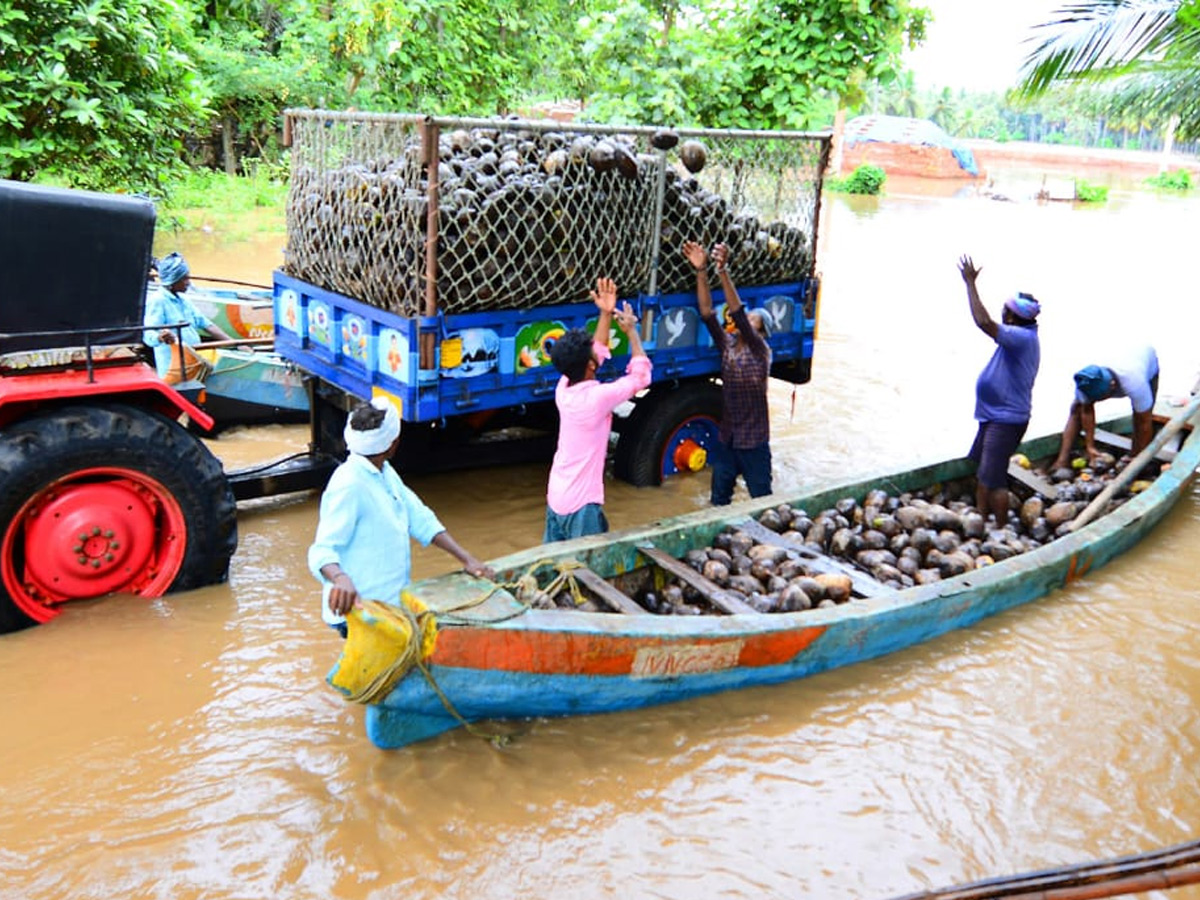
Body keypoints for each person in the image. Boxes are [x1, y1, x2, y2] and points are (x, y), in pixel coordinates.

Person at [308, 397, 494, 638]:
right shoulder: (348, 484)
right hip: (361, 611)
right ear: (393, 443)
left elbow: (420, 518)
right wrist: (340, 578)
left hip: (390, 605)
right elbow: (321, 551)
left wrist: (467, 559)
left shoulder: (384, 472)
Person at [544, 277, 652, 542]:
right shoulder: (597, 398)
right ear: (589, 366)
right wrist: (631, 333)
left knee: (556, 568)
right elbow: (642, 377)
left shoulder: (564, 386)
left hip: (556, 497)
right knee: (586, 571)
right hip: (582, 506)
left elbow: (598, 353)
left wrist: (605, 313)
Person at [683, 240, 773, 505]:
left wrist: (722, 270)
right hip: (728, 439)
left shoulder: (760, 351)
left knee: (762, 501)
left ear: (762, 332)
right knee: (718, 500)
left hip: (753, 443)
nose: (745, 324)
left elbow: (737, 312)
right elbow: (707, 312)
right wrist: (702, 271)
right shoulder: (728, 345)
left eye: (753, 323)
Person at [958, 255, 1041, 525]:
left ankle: (1001, 527)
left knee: (994, 478)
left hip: (1006, 419)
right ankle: (982, 519)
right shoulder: (1020, 336)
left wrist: (970, 284)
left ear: (1011, 316)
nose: (1001, 315)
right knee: (983, 469)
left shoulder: (1020, 338)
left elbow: (983, 322)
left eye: (1005, 311)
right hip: (993, 415)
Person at [1050, 344, 1160, 470]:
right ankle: (1061, 460)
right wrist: (1090, 446)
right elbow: (1086, 410)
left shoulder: (1135, 383)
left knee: (1140, 416)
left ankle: (1136, 456)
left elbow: (1144, 423)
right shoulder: (1086, 380)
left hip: (1146, 361)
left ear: (1112, 386)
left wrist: (1136, 460)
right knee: (1076, 408)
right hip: (1120, 358)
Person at [143, 251, 235, 384]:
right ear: (172, 282)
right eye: (184, 279)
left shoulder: (184, 299)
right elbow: (148, 334)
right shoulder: (158, 301)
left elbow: (206, 324)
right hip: (174, 370)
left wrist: (233, 343)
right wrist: (160, 337)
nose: (188, 283)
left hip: (192, 362)